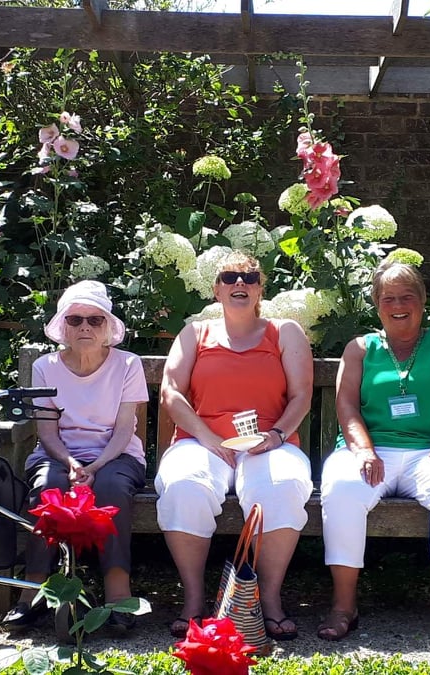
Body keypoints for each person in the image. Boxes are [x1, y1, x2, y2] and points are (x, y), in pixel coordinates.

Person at [317, 258, 430, 643]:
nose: (398, 305)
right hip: (370, 452)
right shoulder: (359, 349)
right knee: (341, 488)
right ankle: (344, 606)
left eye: (407, 296)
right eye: (388, 298)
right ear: (377, 305)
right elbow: (347, 406)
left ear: (422, 302)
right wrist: (363, 450)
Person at [155, 250, 314, 641]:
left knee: (281, 486)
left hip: (269, 443)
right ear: (216, 289)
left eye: (248, 278)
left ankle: (268, 600)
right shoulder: (195, 334)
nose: (238, 283)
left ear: (260, 289)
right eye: (229, 277)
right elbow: (171, 392)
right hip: (202, 441)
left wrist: (274, 436)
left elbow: (301, 396)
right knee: (183, 486)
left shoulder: (285, 332)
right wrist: (207, 438)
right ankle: (194, 600)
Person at [2, 280, 149, 633]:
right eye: (75, 319)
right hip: (58, 455)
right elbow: (47, 432)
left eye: (95, 320)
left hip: (116, 456)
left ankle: (118, 594)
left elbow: (126, 429)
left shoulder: (128, 364)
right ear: (63, 327)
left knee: (112, 490)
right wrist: (71, 464)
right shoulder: (45, 366)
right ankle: (33, 589)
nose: (85, 327)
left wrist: (96, 466)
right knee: (48, 486)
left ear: (108, 327)